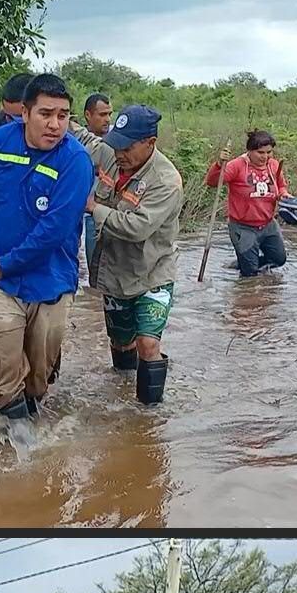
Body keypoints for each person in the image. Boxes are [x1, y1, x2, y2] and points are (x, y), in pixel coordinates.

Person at [0, 73, 94, 421]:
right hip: (0, 280)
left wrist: (4, 264)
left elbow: (54, 230)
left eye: (63, 115)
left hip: (50, 278)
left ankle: (37, 393)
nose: (55, 124)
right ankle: (16, 441)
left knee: (38, 382)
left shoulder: (76, 161)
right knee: (4, 368)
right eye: (46, 114)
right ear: (24, 113)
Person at [74, 104, 184, 403]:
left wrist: (94, 208)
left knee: (148, 344)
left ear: (150, 142)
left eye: (127, 147)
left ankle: (149, 414)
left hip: (153, 272)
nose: (119, 154)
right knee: (121, 343)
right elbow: (84, 139)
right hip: (115, 271)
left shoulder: (166, 181)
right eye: (116, 145)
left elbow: (137, 228)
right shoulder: (111, 156)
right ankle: (121, 397)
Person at [206, 130, 290, 277]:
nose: (265, 157)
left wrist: (284, 194)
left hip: (268, 224)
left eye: (269, 152)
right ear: (249, 151)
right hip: (243, 227)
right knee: (250, 273)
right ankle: (247, 268)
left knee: (278, 259)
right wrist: (219, 165)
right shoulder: (237, 166)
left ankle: (243, 263)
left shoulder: (274, 165)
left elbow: (280, 185)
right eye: (260, 152)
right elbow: (213, 182)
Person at [81, 91, 115, 274]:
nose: (107, 119)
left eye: (109, 114)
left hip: (106, 211)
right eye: (102, 114)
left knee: (105, 268)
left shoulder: (117, 140)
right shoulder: (79, 141)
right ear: (88, 115)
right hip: (82, 210)